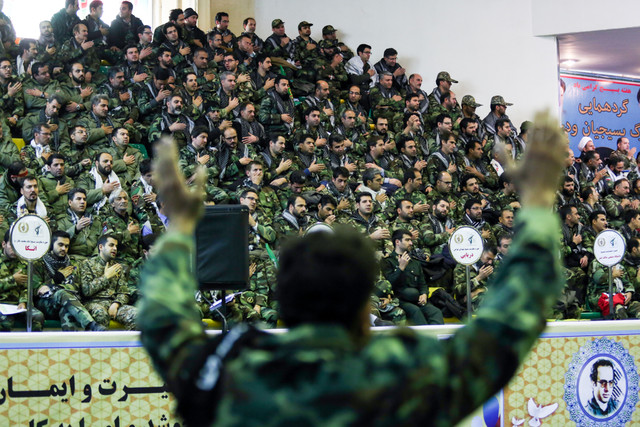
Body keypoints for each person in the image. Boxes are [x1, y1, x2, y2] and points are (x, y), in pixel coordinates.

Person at [138, 110, 566, 426]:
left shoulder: (232, 373)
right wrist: (539, 199)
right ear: (366, 307)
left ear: (283, 301)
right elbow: (512, 318)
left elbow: (161, 319)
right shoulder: (403, 374)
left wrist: (179, 228)